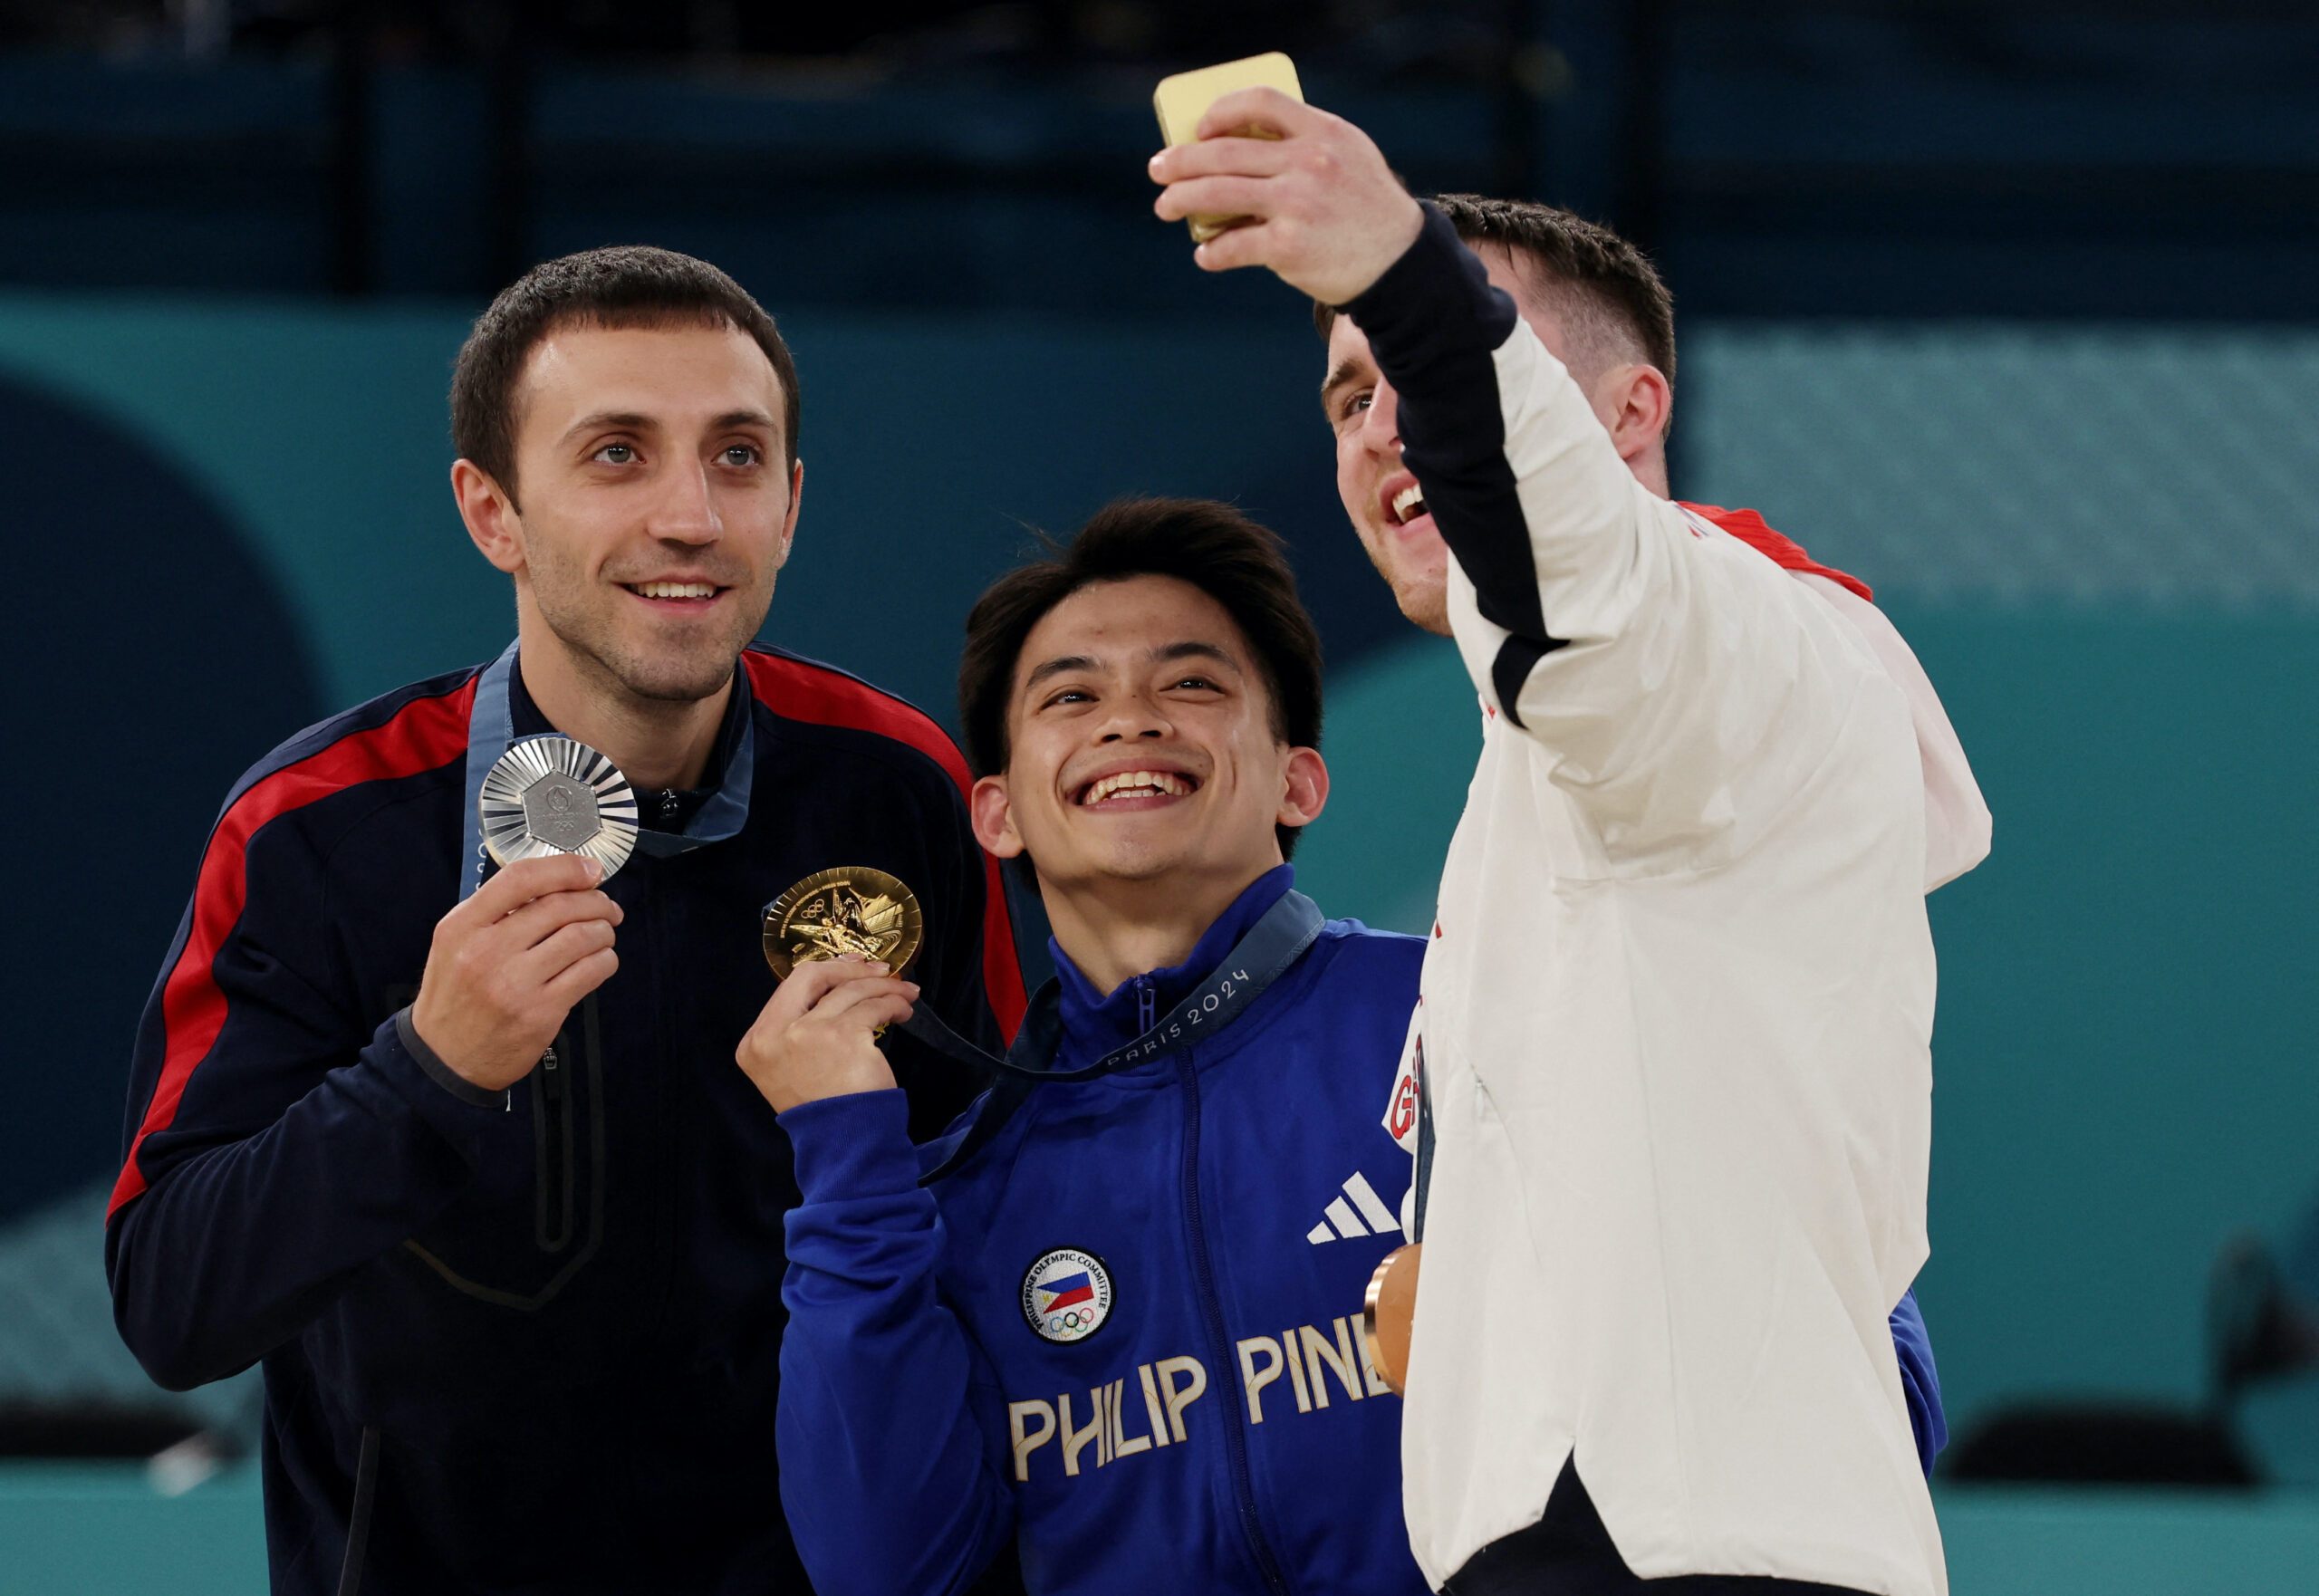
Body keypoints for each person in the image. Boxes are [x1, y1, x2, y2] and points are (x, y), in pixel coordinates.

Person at [749, 499, 1945, 1596]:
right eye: (1069, 696)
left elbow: (1860, 1372)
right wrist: (848, 1155)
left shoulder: (1494, 1008)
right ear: (996, 812)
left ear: (1301, 779)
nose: (1129, 717)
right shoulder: (962, 1187)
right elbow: (885, 1567)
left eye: (1195, 684)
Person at [1152, 97, 1987, 1596]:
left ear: (1629, 415)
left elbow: (1581, 576)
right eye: (1348, 398)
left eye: (1430, 361)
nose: (1385, 423)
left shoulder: (1718, 634)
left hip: (1675, 1556)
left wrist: (1404, 268)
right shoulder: (1581, 765)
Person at [105, 245, 1025, 1595]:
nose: (690, 515)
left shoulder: (895, 790)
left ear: (791, 506)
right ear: (495, 512)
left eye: (736, 456)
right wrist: (421, 1074)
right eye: (615, 454)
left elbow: (1006, 1216)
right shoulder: (316, 827)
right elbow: (175, 1303)